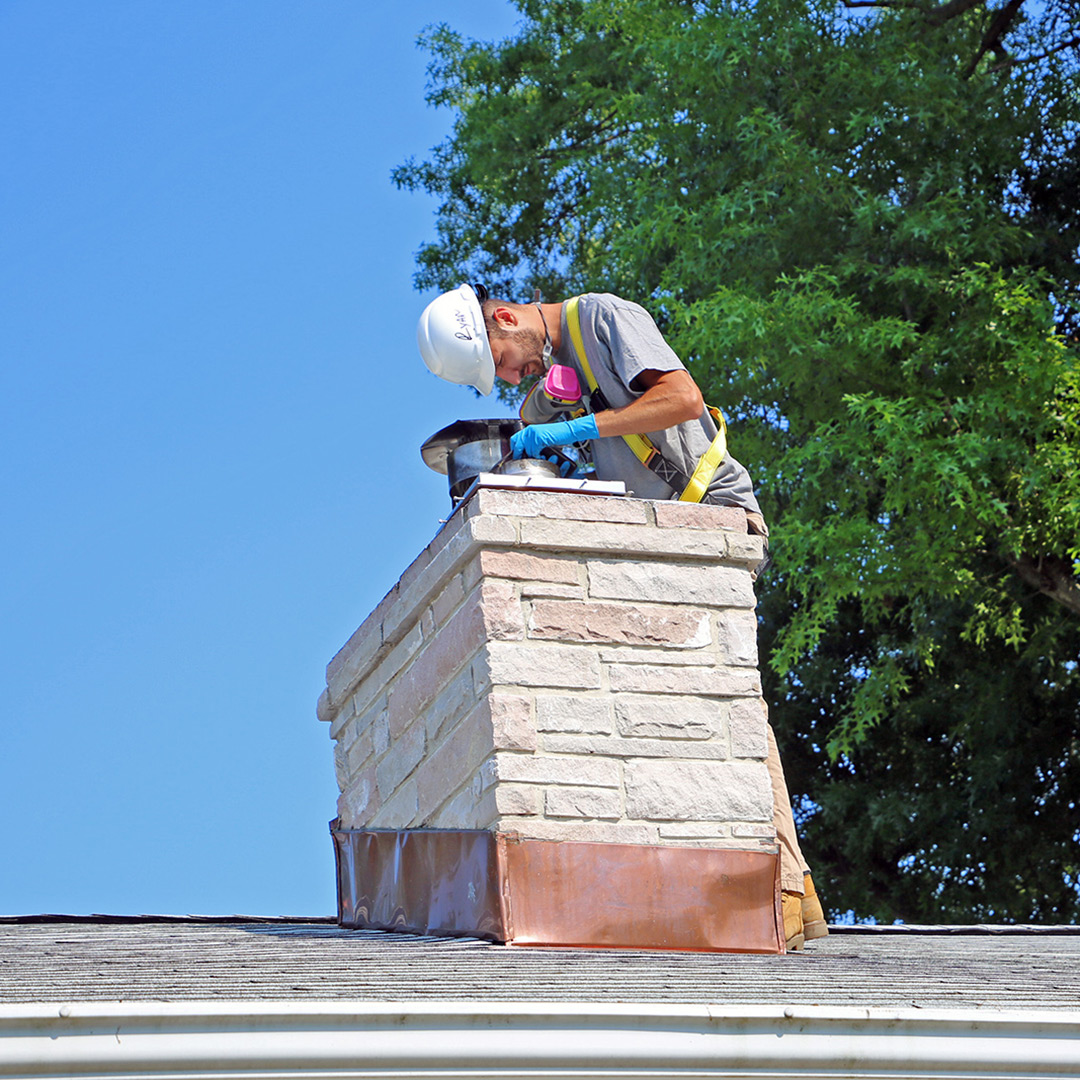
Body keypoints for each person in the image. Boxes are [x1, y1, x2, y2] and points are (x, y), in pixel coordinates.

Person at [417, 282, 827, 949]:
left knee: (730, 701)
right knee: (708, 709)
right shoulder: (539, 397)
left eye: (506, 361)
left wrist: (581, 428)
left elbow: (682, 399)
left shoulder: (602, 319)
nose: (513, 378)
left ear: (506, 317)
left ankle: (780, 890)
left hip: (710, 515)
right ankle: (793, 888)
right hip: (654, 541)